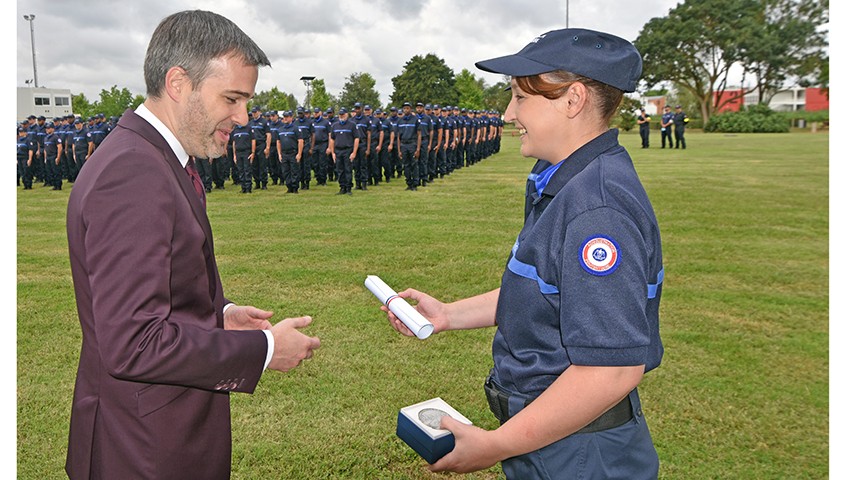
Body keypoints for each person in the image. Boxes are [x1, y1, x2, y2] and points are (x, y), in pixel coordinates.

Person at [383, 28, 663, 479]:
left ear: (572, 100)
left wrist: (496, 445)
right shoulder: (565, 181)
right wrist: (448, 315)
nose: (508, 113)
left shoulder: (597, 209)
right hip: (557, 436)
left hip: (580, 453)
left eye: (519, 97)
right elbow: (546, 292)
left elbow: (611, 370)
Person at [65, 11, 321, 479]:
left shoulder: (155, 157)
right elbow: (134, 342)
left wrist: (219, 316)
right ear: (178, 82)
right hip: (143, 451)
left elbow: (154, 293)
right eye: (232, 98)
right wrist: (263, 350)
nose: (243, 117)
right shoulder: (134, 172)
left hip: (158, 435)